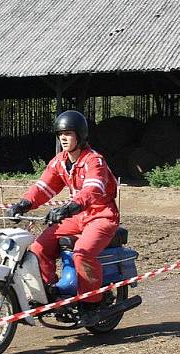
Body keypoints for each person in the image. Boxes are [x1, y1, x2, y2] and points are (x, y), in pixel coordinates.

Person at [6, 110, 119, 305]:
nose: (63, 138)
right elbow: (43, 188)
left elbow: (93, 189)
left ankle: (93, 302)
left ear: (80, 135)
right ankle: (50, 292)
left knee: (82, 253)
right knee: (38, 248)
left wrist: (69, 208)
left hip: (101, 216)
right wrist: (23, 204)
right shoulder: (59, 161)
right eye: (60, 134)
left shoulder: (94, 161)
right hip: (76, 217)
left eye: (68, 133)